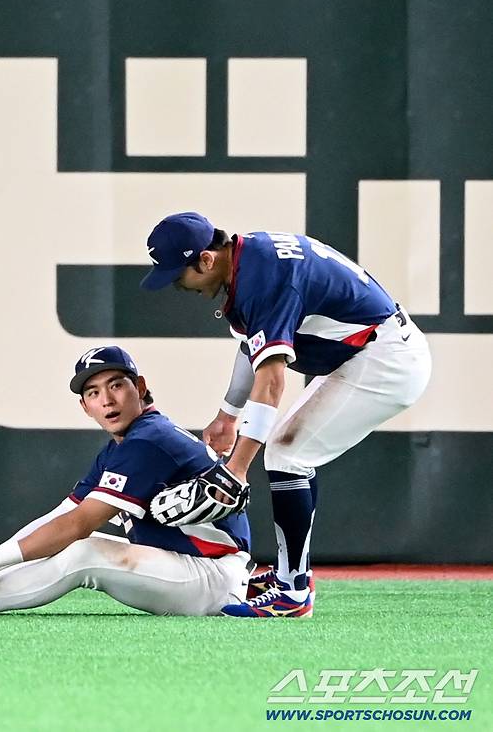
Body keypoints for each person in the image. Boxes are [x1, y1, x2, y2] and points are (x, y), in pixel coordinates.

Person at [141, 212, 432, 618]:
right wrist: (228, 416)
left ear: (206, 260)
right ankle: (288, 575)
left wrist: (236, 469)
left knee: (286, 455)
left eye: (178, 274)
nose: (177, 284)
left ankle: (293, 590)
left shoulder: (264, 278)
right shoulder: (246, 262)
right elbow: (251, 346)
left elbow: (273, 381)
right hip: (368, 352)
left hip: (386, 359)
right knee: (286, 454)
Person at [0, 346, 252, 617]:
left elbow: (79, 525)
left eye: (117, 384)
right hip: (191, 567)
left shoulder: (150, 439)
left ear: (141, 386)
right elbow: (62, 516)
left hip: (212, 576)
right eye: (93, 392)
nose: (107, 400)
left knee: (86, 552)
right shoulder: (123, 446)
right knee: (72, 544)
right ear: (84, 407)